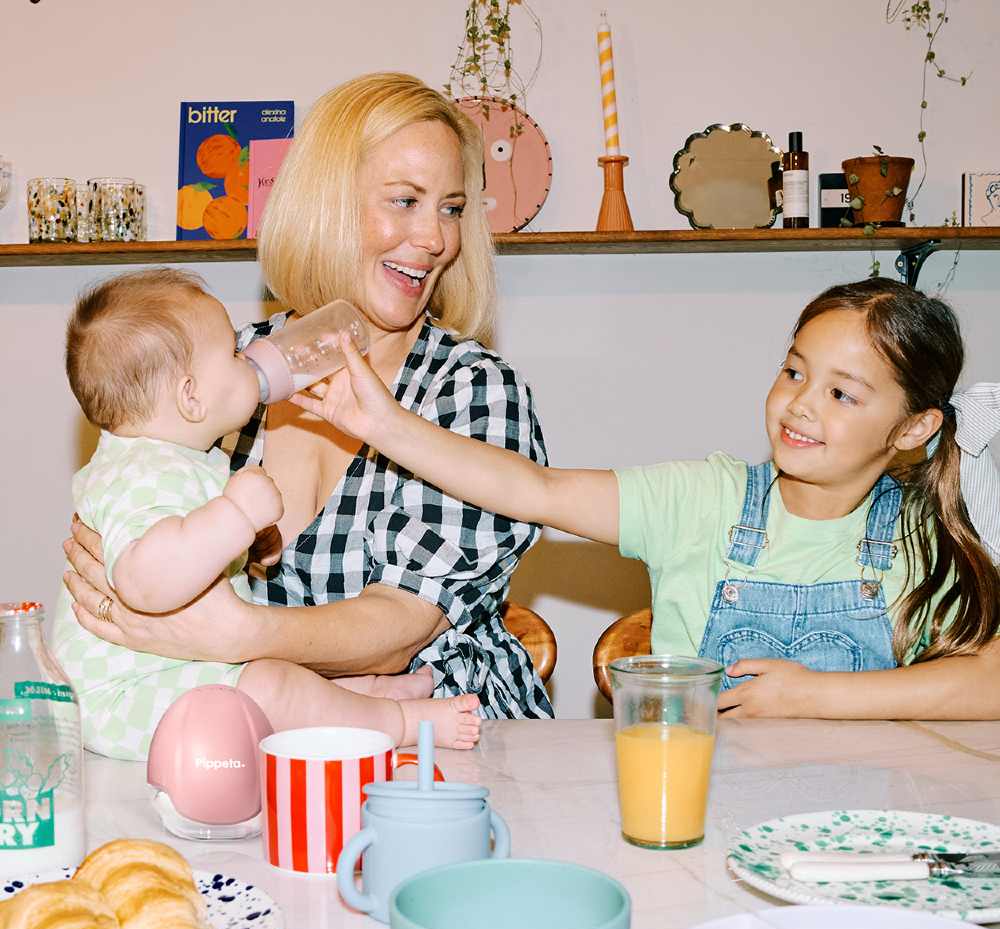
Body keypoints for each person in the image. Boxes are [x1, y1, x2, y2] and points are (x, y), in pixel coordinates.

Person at [61, 72, 553, 722]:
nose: (436, 239)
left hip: (450, 738)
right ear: (324, 202)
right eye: (405, 200)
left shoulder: (472, 393)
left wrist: (233, 633)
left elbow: (401, 630)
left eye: (452, 208)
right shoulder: (224, 374)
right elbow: (136, 521)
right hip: (262, 741)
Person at [296, 277, 1000, 720]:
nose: (799, 406)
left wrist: (815, 697)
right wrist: (383, 423)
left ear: (914, 426)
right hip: (700, 811)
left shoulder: (928, 533)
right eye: (793, 371)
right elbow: (535, 488)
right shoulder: (702, 502)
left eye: (841, 393)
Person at [53, 268, 482, 760]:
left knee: (273, 679)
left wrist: (244, 542)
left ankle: (361, 700)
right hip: (126, 700)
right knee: (268, 688)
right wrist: (235, 515)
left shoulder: (176, 459)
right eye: (234, 355)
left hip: (168, 672)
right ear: (191, 397)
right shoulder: (141, 473)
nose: (248, 357)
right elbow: (145, 581)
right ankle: (400, 722)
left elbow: (183, 546)